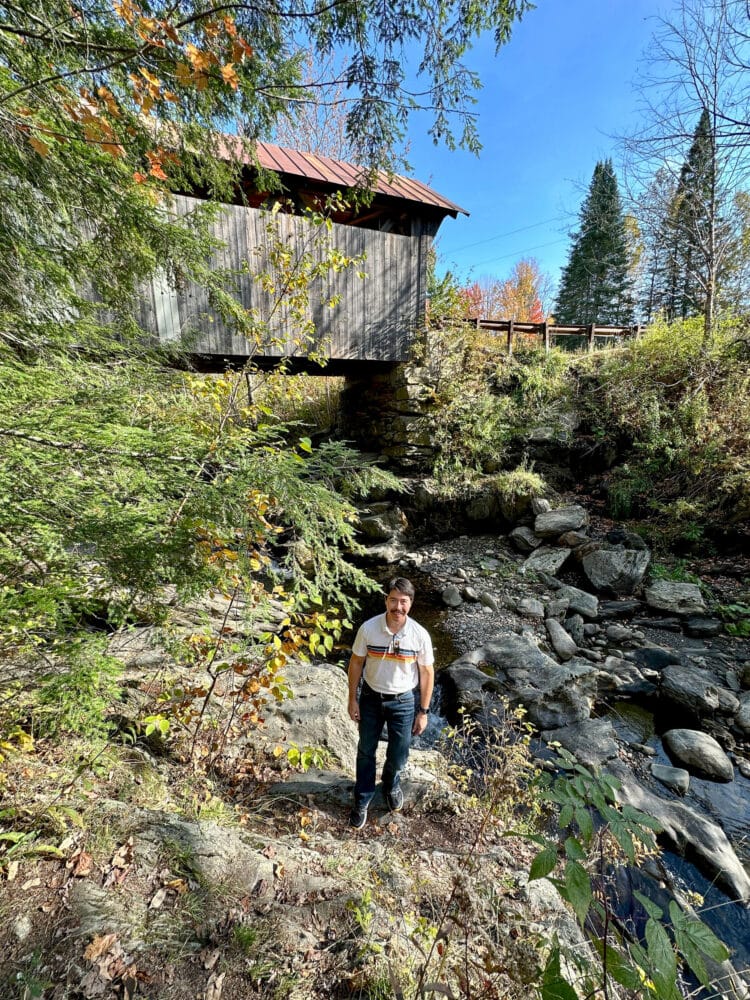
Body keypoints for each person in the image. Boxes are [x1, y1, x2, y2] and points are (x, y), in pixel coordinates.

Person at [347, 576, 434, 829]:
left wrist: (424, 711)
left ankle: (390, 782)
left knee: (399, 755)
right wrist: (352, 699)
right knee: (366, 750)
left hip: (404, 702)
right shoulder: (369, 628)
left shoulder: (419, 635)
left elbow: (427, 673)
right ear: (386, 600)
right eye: (393, 600)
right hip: (371, 698)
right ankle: (362, 798)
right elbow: (355, 663)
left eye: (403, 602)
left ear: (411, 604)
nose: (398, 607)